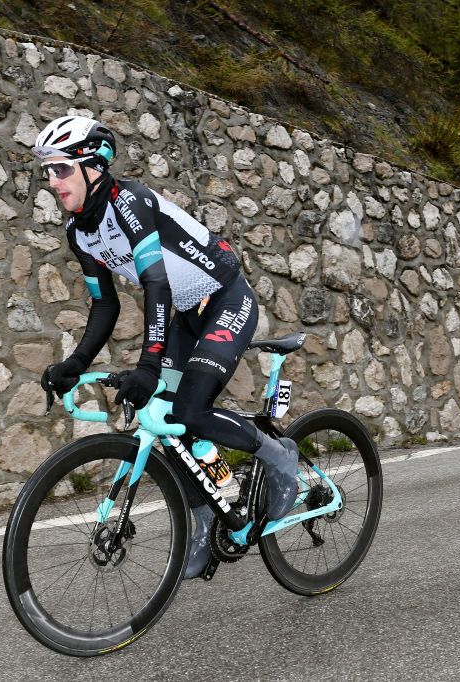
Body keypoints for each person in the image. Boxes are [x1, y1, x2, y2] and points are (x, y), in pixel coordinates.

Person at [33, 115, 299, 579]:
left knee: (190, 409)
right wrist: (74, 363)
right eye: (47, 172)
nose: (52, 182)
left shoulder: (128, 202)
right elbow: (105, 307)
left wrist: (149, 365)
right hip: (185, 313)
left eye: (60, 169)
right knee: (167, 419)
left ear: (94, 166)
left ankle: (280, 459)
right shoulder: (80, 233)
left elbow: (155, 283)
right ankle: (202, 518)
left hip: (224, 299)